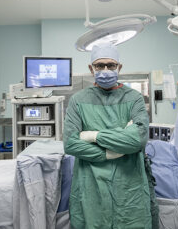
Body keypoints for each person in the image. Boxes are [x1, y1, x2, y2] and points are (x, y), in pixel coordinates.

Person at [63, 42, 158, 229]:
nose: (105, 70)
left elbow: (137, 139)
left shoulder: (134, 98)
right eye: (100, 65)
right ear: (91, 69)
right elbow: (71, 144)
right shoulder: (78, 101)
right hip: (90, 181)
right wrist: (109, 153)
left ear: (119, 67)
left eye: (111, 65)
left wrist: (93, 136)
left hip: (129, 182)